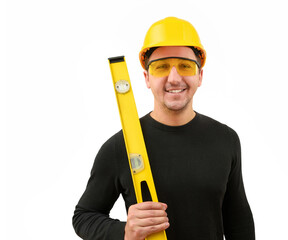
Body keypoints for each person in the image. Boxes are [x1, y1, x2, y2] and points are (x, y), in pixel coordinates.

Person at [73, 16, 255, 240]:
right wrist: (124, 232)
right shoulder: (120, 146)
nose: (174, 78)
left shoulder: (226, 139)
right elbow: (84, 216)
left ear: (200, 76)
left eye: (185, 66)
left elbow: (239, 223)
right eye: (162, 67)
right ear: (147, 78)